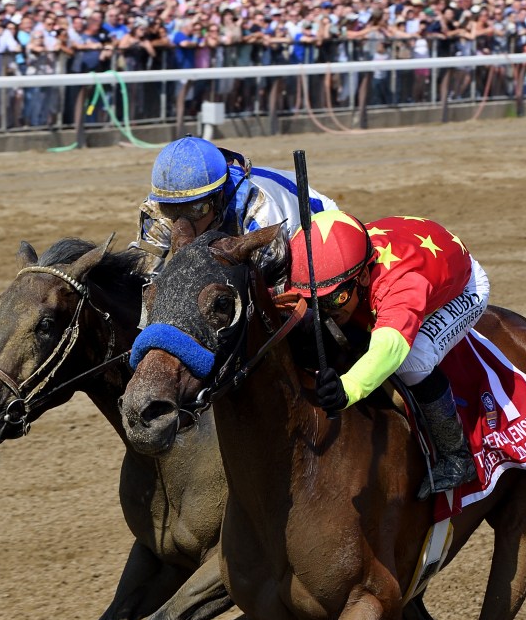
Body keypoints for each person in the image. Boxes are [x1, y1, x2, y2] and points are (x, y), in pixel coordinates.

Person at [287, 209, 491, 498]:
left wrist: (347, 389)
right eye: (314, 300)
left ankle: (457, 457)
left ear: (364, 278)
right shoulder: (328, 271)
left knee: (413, 361)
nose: (326, 309)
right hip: (410, 249)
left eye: (337, 298)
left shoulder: (401, 287)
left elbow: (390, 347)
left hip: (463, 289)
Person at [135, 135, 339, 288]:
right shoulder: (159, 208)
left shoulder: (260, 212)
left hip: (310, 225)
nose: (180, 226)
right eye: (171, 210)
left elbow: (272, 289)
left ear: (219, 198)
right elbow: (142, 279)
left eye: (196, 209)